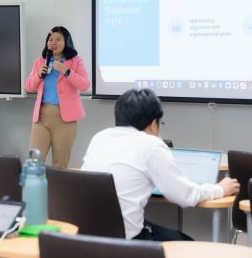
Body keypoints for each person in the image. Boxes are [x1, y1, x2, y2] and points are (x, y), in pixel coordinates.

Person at [81, 88, 240, 241]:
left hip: (87, 235)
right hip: (126, 240)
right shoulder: (151, 144)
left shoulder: (100, 137)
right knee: (185, 243)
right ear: (153, 124)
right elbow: (185, 196)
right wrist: (220, 188)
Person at [25, 26, 90, 168]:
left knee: (60, 164)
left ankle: (58, 191)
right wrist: (38, 75)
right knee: (34, 163)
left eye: (58, 39)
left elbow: (85, 85)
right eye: (50, 39)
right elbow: (29, 87)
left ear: (66, 41)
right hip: (41, 117)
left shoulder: (75, 61)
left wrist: (66, 70)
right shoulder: (40, 61)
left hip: (65, 118)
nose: (53, 42)